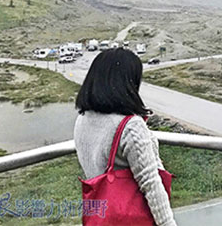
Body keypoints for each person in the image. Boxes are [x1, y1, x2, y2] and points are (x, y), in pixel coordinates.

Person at [74, 48, 177, 226]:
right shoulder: (130, 126)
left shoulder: (82, 119)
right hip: (130, 217)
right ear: (127, 83)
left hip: (102, 215)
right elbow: (151, 184)